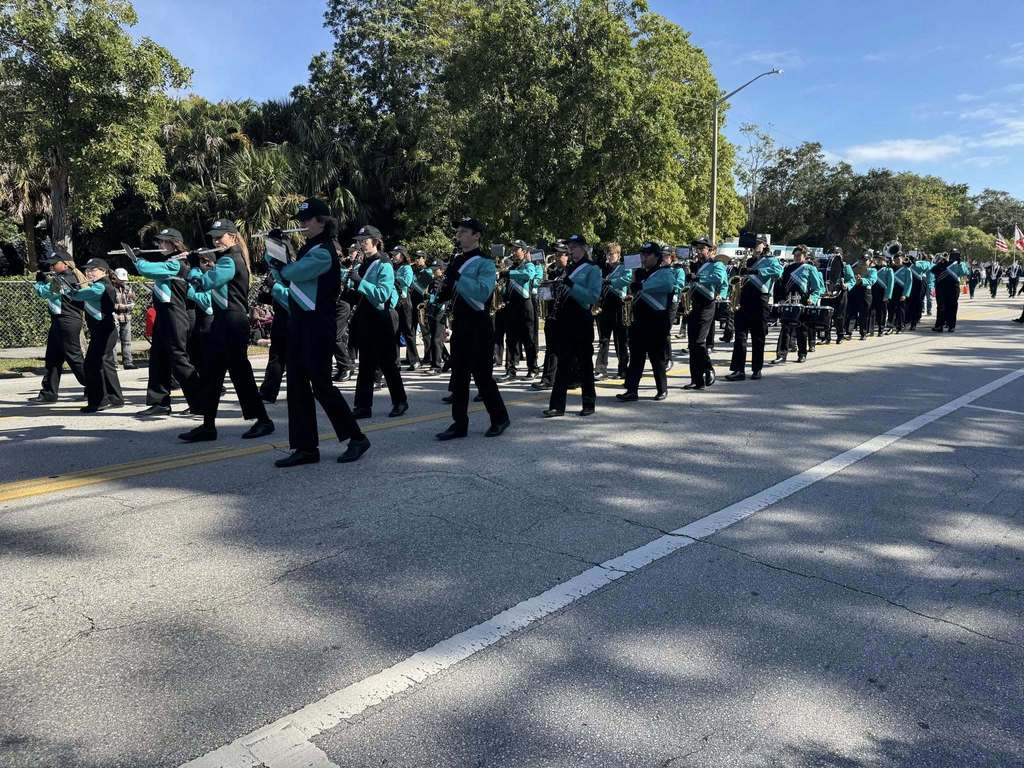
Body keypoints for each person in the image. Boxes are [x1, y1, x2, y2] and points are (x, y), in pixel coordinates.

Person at [266, 199, 370, 467]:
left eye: (307, 220)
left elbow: (290, 274)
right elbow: (283, 277)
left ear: (322, 222)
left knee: (321, 385)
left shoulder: (323, 252)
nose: (302, 225)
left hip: (317, 326)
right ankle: (305, 447)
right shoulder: (309, 248)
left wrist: (280, 254)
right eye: (301, 220)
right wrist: (276, 249)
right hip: (301, 324)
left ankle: (356, 438)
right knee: (298, 386)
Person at [178, 219, 275, 443]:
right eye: (213, 237)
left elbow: (205, 283)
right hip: (223, 321)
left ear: (232, 236)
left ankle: (263, 420)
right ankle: (208, 426)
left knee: (241, 374)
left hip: (232, 321)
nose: (215, 240)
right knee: (212, 374)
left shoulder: (230, 260)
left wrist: (192, 267)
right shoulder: (227, 259)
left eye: (220, 236)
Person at [435, 217, 511, 440]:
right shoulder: (456, 260)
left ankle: (499, 418)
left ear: (476, 235)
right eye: (458, 232)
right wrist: (441, 289)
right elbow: (448, 294)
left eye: (464, 232)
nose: (459, 235)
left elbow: (482, 293)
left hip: (479, 325)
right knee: (459, 377)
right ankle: (459, 424)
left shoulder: (485, 262)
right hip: (460, 323)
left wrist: (457, 278)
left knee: (482, 377)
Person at [134, 228, 204, 417]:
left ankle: (200, 402)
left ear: (175, 243)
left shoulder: (178, 263)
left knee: (179, 359)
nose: (160, 245)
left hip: (175, 316)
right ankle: (159, 402)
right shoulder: (170, 261)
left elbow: (146, 269)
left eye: (165, 242)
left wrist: (136, 259)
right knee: (158, 359)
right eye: (160, 242)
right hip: (164, 316)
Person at [350, 226, 408, 419]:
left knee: (388, 363)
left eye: (364, 241)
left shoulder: (384, 263)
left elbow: (383, 294)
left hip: (380, 317)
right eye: (359, 241)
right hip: (365, 317)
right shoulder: (362, 263)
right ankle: (363, 406)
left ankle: (400, 401)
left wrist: (360, 281)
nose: (360, 244)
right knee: (365, 364)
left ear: (375, 241)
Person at [543, 234, 602, 417]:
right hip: (564, 320)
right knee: (563, 363)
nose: (571, 249)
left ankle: (588, 404)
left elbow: (592, 297)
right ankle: (557, 406)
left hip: (581, 319)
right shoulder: (567, 269)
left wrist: (571, 285)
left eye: (575, 246)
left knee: (584, 363)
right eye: (570, 246)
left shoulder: (593, 269)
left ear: (584, 248)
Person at [29, 247, 87, 403]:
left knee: (74, 358)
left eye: (55, 263)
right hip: (60, 321)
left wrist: (40, 281)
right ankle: (49, 392)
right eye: (51, 264)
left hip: (66, 321)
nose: (51, 266)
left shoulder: (65, 278)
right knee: (53, 358)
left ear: (66, 264)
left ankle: (95, 386)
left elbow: (45, 292)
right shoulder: (65, 277)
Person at [617, 242, 673, 401]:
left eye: (648, 254)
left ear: (657, 257)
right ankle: (632, 390)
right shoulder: (639, 273)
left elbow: (668, 285)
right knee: (636, 357)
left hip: (657, 319)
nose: (644, 257)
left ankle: (662, 389)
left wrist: (642, 285)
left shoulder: (664, 272)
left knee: (657, 357)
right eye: (643, 254)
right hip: (640, 319)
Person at [69, 258, 124, 412]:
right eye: (87, 270)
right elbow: (85, 304)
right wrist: (71, 294)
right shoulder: (98, 285)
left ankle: (99, 401)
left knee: (92, 365)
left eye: (93, 269)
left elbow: (85, 294)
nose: (89, 272)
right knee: (104, 363)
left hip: (104, 332)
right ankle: (115, 397)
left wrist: (72, 292)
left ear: (104, 271)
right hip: (103, 331)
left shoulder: (100, 286)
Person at [725, 239, 783, 380]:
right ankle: (738, 370)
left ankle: (757, 369)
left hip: (759, 300)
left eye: (758, 243)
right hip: (743, 300)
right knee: (740, 337)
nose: (755, 246)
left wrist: (756, 270)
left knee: (758, 337)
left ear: (764, 246)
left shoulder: (771, 260)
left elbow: (778, 271)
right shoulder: (747, 260)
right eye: (753, 244)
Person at [685, 236, 727, 390]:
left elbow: (719, 278)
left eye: (702, 248)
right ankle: (696, 380)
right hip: (693, 304)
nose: (699, 251)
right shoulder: (693, 265)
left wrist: (698, 277)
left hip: (707, 305)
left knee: (699, 341)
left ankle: (708, 368)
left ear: (710, 250)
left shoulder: (717, 264)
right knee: (691, 343)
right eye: (698, 248)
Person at [499, 240, 540, 381]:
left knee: (528, 338)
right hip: (511, 306)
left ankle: (533, 368)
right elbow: (507, 286)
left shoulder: (529, 265)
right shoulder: (511, 267)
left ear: (524, 251)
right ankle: (510, 370)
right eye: (513, 249)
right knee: (510, 339)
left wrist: (509, 274)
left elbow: (528, 276)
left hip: (525, 305)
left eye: (517, 249)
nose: (514, 251)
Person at [532, 245, 569, 391]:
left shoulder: (571, 272)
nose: (557, 257)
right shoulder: (554, 271)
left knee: (568, 350)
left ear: (567, 256)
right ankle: (548, 378)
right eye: (556, 254)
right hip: (552, 314)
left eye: (560, 255)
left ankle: (572, 377)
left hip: (566, 315)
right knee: (552, 347)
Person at [257, 248, 290, 405]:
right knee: (276, 356)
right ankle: (268, 392)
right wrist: (266, 291)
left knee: (293, 358)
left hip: (292, 319)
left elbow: (294, 299)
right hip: (280, 317)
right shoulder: (275, 272)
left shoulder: (290, 271)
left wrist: (275, 286)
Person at [595, 243, 631, 380]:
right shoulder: (603, 268)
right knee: (603, 339)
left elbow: (627, 279)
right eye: (607, 254)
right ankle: (601, 369)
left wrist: (610, 282)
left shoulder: (624, 267)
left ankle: (623, 370)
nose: (609, 257)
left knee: (620, 340)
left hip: (619, 304)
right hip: (605, 305)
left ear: (618, 255)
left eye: (612, 254)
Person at [391, 245, 421, 371]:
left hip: (404, 301)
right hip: (394, 302)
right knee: (395, 332)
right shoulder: (393, 267)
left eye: (396, 254)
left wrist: (393, 277)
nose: (393, 256)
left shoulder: (406, 267)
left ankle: (415, 360)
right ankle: (396, 362)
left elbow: (407, 281)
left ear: (402, 255)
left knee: (408, 331)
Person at [932, 251, 970, 332]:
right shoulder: (944, 263)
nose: (953, 256)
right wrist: (940, 262)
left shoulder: (960, 264)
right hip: (941, 287)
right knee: (941, 306)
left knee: (952, 306)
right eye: (952, 254)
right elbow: (933, 270)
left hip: (953, 287)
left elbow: (964, 273)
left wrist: (959, 264)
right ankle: (939, 325)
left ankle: (951, 326)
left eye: (955, 255)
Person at [111, 268, 136, 370]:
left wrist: (124, 306)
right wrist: (122, 306)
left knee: (127, 341)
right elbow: (111, 304)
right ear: (115, 277)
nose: (123, 281)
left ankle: (128, 362)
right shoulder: (111, 288)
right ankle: (114, 364)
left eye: (124, 280)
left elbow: (132, 302)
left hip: (126, 317)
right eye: (121, 279)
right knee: (113, 342)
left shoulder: (128, 288)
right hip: (115, 318)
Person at [872, 254, 894, 336]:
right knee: (872, 311)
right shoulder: (872, 269)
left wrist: (887, 296)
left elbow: (890, 284)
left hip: (883, 292)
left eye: (881, 259)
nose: (879, 261)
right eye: (877, 259)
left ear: (884, 261)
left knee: (882, 312)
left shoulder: (888, 270)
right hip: (873, 292)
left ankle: (881, 329)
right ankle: (870, 329)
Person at [891, 255, 914, 333]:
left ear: (902, 259)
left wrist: (905, 294)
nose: (897, 260)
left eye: (898, 259)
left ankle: (901, 326)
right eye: (895, 259)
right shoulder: (892, 269)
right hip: (893, 291)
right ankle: (893, 325)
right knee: (893, 309)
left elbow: (909, 283)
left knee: (901, 309)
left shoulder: (907, 269)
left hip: (901, 291)